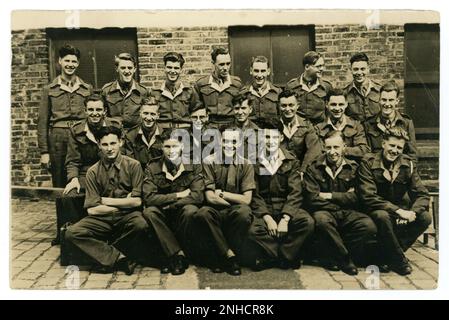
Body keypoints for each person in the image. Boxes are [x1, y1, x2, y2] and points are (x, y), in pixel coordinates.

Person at [64, 126, 148, 275]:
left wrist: (103, 200)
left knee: (140, 225)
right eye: (105, 144)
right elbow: (92, 209)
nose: (109, 148)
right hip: (102, 218)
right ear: (98, 145)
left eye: (113, 143)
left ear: (120, 142)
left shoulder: (134, 166)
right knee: (72, 232)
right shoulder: (93, 171)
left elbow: (137, 202)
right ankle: (119, 258)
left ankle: (107, 257)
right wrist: (124, 203)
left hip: (127, 217)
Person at [357, 126, 431, 275]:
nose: (394, 150)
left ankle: (386, 256)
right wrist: (398, 211)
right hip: (373, 210)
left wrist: (412, 212)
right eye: (392, 145)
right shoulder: (368, 162)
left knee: (425, 218)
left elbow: (422, 194)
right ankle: (399, 260)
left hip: (398, 211)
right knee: (382, 216)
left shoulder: (407, 164)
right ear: (383, 143)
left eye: (399, 147)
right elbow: (368, 196)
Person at [52, 93, 122, 245]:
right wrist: (74, 179)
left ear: (105, 111)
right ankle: (68, 234)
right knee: (68, 195)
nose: (95, 113)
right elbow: (72, 160)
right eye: (91, 109)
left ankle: (109, 234)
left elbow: (121, 154)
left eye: (98, 109)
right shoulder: (76, 130)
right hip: (85, 173)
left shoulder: (114, 126)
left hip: (110, 170)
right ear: (85, 111)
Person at [303, 131, 377, 275]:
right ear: (323, 148)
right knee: (321, 221)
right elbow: (312, 198)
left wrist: (329, 195)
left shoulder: (354, 168)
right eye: (328, 148)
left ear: (344, 147)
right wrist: (342, 199)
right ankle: (345, 259)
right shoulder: (313, 168)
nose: (332, 152)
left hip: (349, 212)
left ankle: (332, 256)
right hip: (325, 211)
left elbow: (358, 197)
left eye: (336, 147)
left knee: (369, 226)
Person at [245, 119, 314, 271]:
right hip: (264, 208)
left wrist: (285, 218)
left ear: (281, 138)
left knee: (306, 222)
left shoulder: (291, 161)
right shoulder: (253, 162)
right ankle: (284, 257)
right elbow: (254, 194)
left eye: (274, 137)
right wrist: (267, 218)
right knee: (252, 230)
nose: (270, 142)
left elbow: (295, 192)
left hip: (285, 205)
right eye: (266, 137)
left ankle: (274, 256)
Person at [193, 127, 255, 275]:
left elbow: (247, 200)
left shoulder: (246, 164)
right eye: (225, 141)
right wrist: (235, 200)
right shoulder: (209, 161)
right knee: (203, 213)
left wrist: (223, 194)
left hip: (235, 210)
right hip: (215, 210)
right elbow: (210, 197)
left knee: (244, 213)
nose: (229, 145)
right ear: (220, 141)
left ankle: (220, 257)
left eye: (234, 141)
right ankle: (229, 256)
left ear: (239, 143)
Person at [142, 129, 204, 275]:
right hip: (162, 216)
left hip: (181, 215)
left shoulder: (194, 165)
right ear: (161, 147)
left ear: (182, 147)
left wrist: (170, 204)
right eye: (167, 147)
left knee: (191, 210)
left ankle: (170, 255)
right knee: (149, 212)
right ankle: (177, 256)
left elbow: (197, 196)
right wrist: (178, 195)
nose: (171, 151)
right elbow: (149, 198)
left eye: (175, 146)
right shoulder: (152, 167)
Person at [38, 44, 93, 187]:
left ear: (78, 63)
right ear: (60, 61)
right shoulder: (49, 89)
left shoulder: (87, 88)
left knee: (83, 177)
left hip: (81, 136)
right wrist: (44, 152)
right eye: (67, 61)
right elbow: (42, 122)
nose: (70, 65)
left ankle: (82, 210)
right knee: (60, 179)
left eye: (74, 61)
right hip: (58, 140)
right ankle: (63, 210)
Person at [364, 81, 417, 162]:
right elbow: (367, 155)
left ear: (397, 101)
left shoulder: (406, 123)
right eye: (384, 100)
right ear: (379, 100)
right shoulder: (369, 124)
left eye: (391, 100)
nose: (387, 104)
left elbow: (412, 155)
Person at [315, 88, 370, 162]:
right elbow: (318, 152)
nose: (337, 108)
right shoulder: (319, 129)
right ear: (326, 104)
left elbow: (363, 150)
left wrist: (341, 150)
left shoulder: (356, 126)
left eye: (341, 104)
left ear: (346, 104)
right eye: (333, 104)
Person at [194, 47, 243, 127]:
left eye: (228, 64)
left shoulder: (236, 84)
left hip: (231, 125)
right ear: (213, 63)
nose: (226, 68)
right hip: (210, 125)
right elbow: (196, 111)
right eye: (221, 64)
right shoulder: (202, 84)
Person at [102, 53, 150, 129]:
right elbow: (103, 115)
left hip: (136, 135)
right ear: (117, 69)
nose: (127, 71)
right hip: (114, 133)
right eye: (123, 68)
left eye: (130, 68)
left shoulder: (143, 91)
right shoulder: (107, 90)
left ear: (134, 69)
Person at [278, 90, 322, 174]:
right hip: (278, 171)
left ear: (297, 106)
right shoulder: (273, 125)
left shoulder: (307, 125)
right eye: (284, 106)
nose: (288, 109)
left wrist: (302, 171)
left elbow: (313, 150)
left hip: (300, 170)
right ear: (279, 106)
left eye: (291, 105)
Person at [151, 52, 199, 129]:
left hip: (184, 133)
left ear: (181, 70)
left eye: (176, 68)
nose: (173, 71)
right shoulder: (155, 92)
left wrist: (196, 138)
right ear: (164, 68)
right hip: (163, 134)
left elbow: (197, 115)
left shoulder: (189, 91)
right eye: (169, 67)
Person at [285, 51, 333, 125]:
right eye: (318, 66)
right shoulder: (291, 86)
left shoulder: (326, 86)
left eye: (323, 66)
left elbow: (330, 112)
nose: (322, 69)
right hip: (299, 130)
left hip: (320, 131)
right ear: (307, 67)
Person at [239, 56, 282, 127]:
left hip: (271, 134)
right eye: (256, 71)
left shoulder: (277, 92)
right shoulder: (243, 93)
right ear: (251, 71)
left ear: (268, 71)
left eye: (263, 71)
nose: (259, 75)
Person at [122, 97, 164, 169]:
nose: (148, 118)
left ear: (158, 116)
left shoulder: (165, 136)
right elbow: (130, 163)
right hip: (137, 174)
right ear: (140, 114)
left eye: (152, 114)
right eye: (145, 113)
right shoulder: (130, 135)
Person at [343, 52, 381, 122]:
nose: (359, 73)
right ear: (351, 70)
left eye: (362, 69)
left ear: (368, 69)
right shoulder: (345, 93)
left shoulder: (379, 90)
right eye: (356, 69)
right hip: (355, 132)